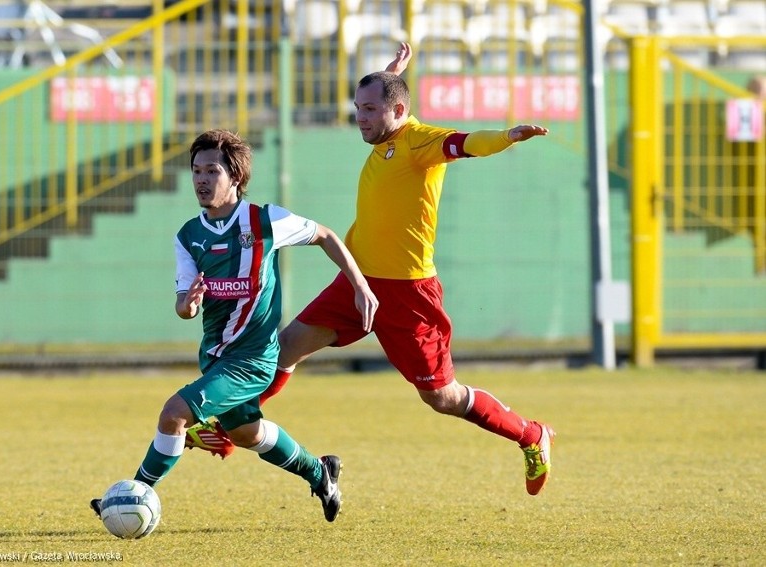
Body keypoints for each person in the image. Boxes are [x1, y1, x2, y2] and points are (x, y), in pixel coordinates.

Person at [196, 44, 556, 497]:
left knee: (442, 397)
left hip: (409, 293)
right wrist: (390, 75)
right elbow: (390, 100)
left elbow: (466, 144)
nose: (360, 118)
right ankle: (227, 429)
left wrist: (505, 136)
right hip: (358, 278)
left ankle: (531, 435)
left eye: (369, 110)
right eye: (357, 108)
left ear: (399, 110)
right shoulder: (389, 133)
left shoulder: (419, 141)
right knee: (285, 348)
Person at [90, 129, 378, 523]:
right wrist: (187, 305)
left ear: (235, 177)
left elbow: (326, 235)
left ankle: (132, 496)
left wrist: (359, 284)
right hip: (215, 356)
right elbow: (182, 306)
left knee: (174, 414)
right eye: (196, 171)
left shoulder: (264, 221)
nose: (202, 180)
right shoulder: (189, 237)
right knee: (248, 434)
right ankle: (320, 472)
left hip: (254, 359)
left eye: (212, 170)